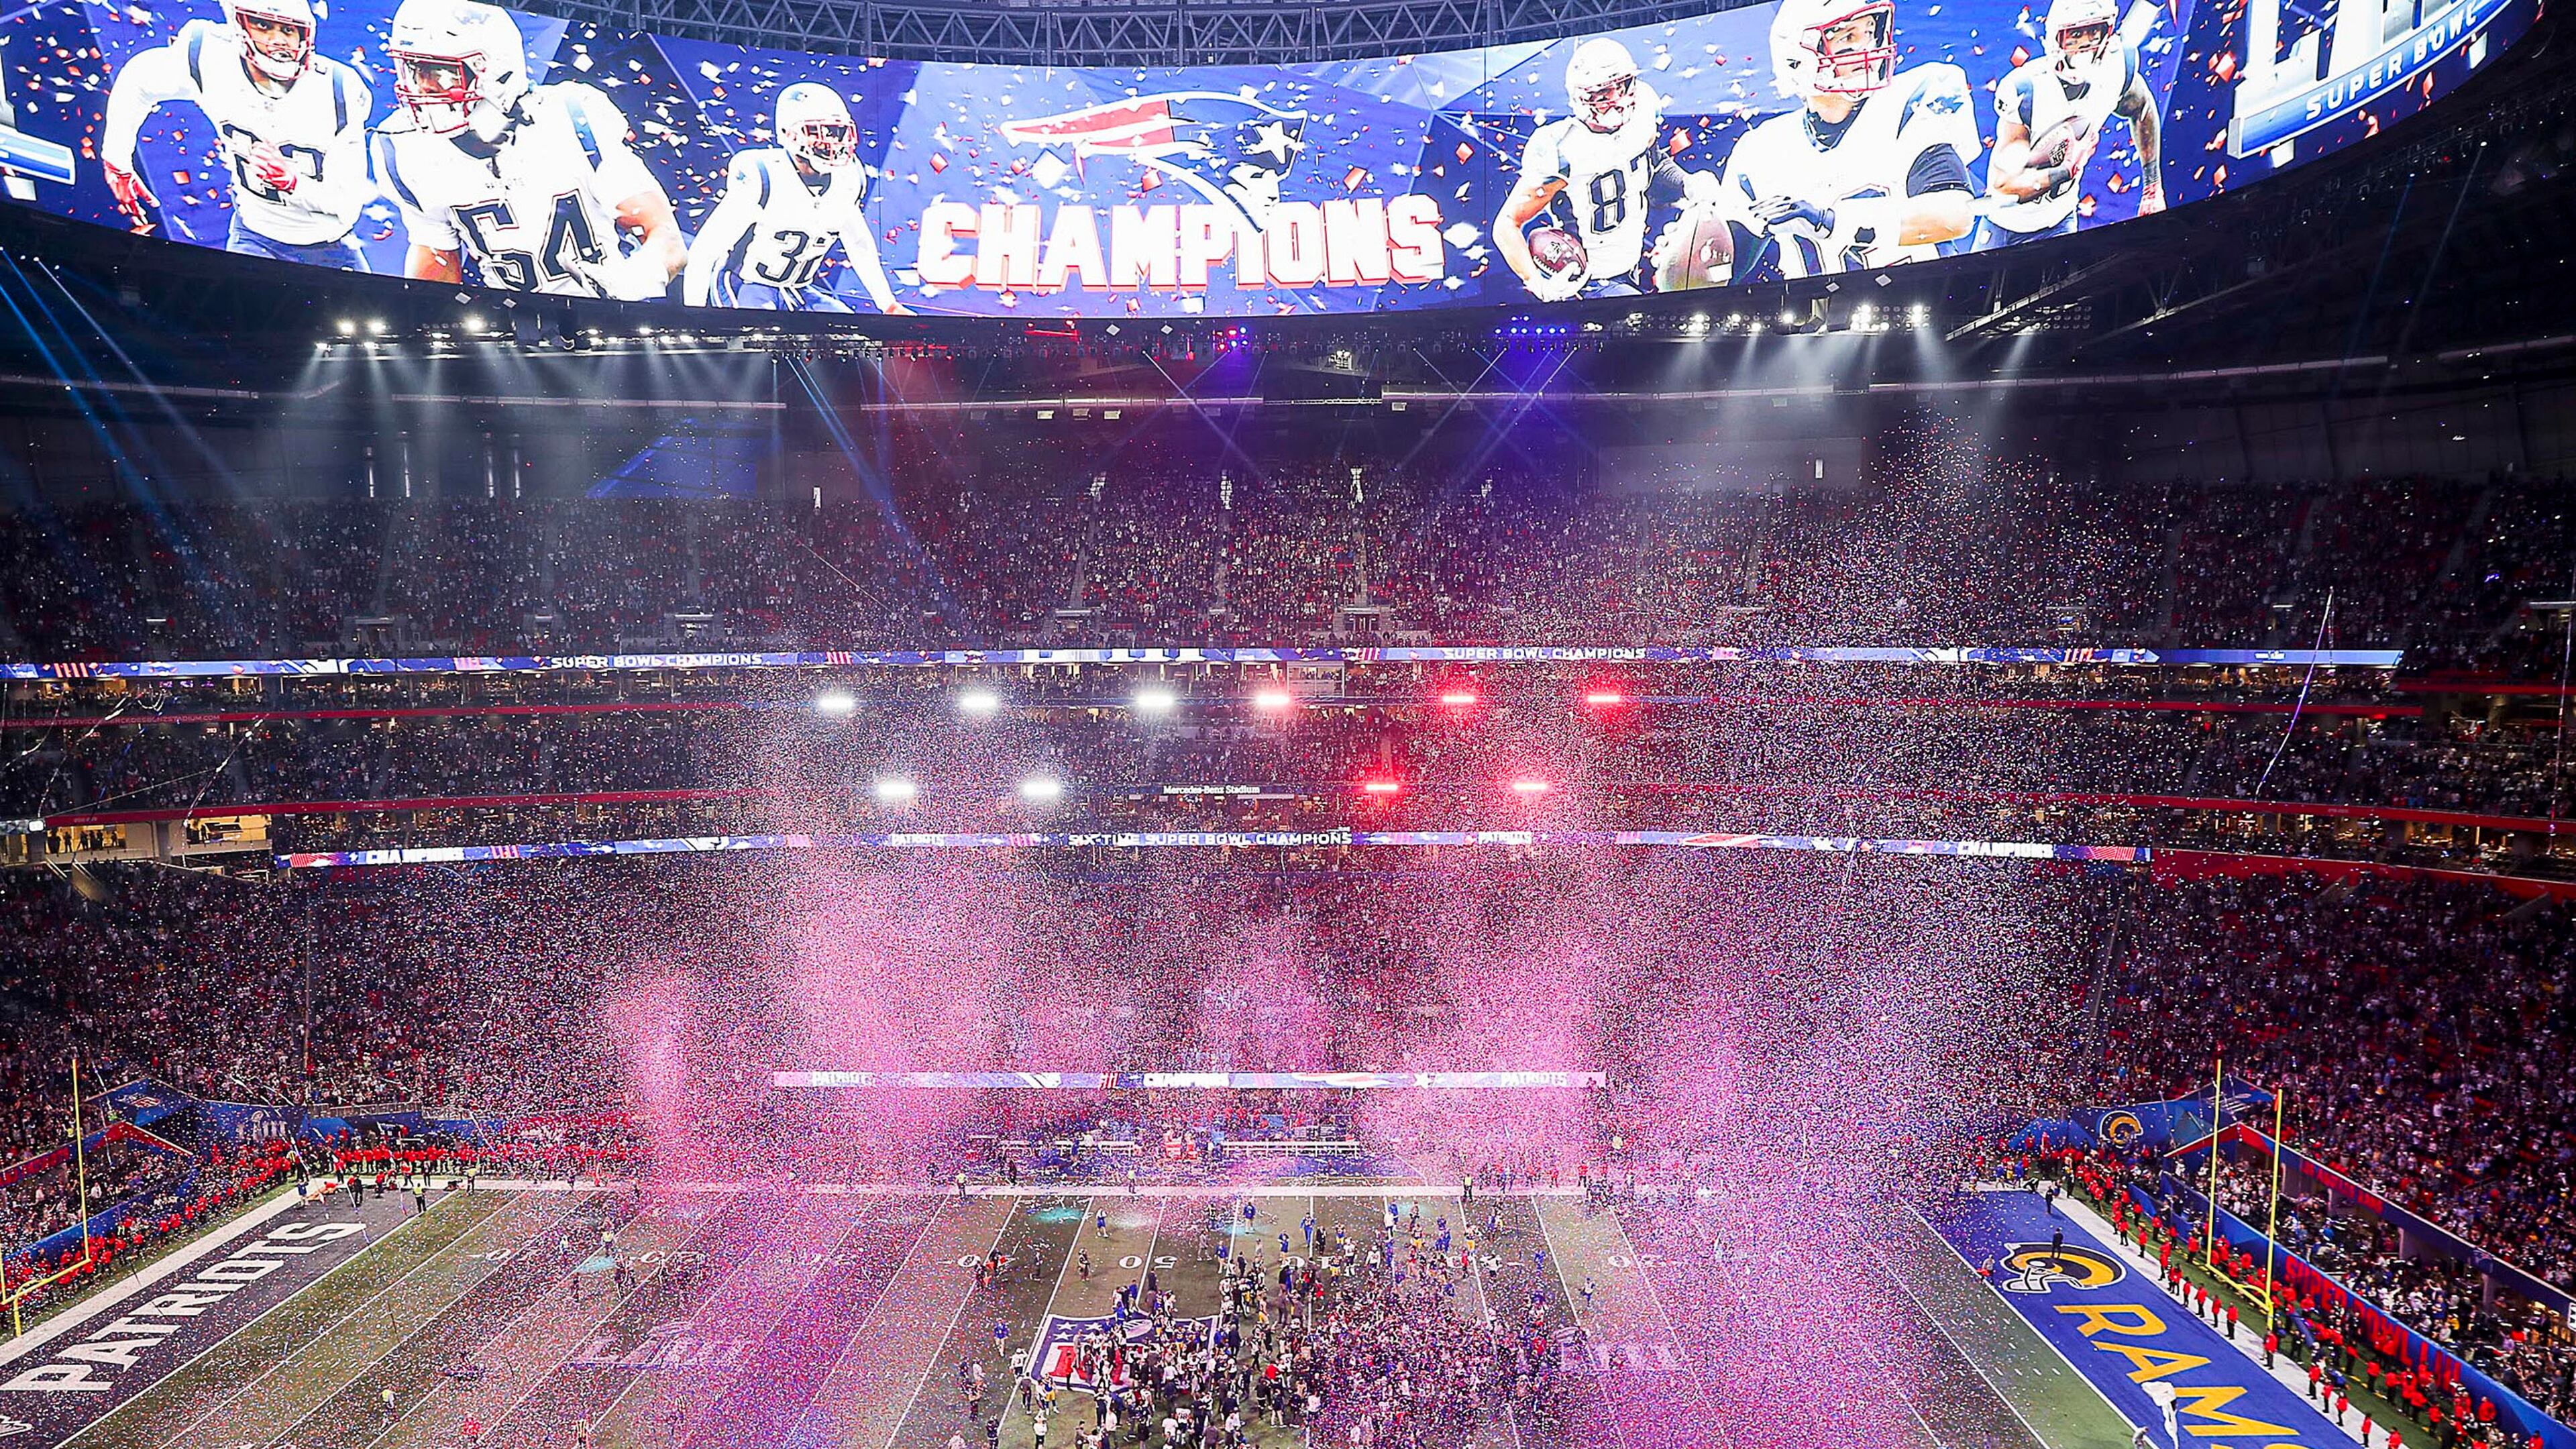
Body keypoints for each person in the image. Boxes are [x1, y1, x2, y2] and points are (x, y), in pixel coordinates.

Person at [370, 0, 682, 298]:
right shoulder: (404, 146)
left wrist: (633, 283)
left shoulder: (574, 117)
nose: (423, 86)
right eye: (414, 70)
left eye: (441, 72)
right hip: (508, 330)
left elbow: (664, 234)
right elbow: (436, 256)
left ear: (495, 71)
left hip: (606, 319)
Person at [99, 0, 375, 266]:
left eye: (288, 30)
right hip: (255, 236)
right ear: (239, 26)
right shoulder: (211, 57)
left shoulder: (339, 89)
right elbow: (138, 80)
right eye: (263, 25)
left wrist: (292, 183)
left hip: (330, 246)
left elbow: (346, 203)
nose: (278, 40)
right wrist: (117, 158)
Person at [1717, 0, 1978, 278]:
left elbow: (1954, 215)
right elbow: (1724, 269)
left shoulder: (1908, 103)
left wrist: (1828, 221)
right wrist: (1687, 250)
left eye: (1870, 33)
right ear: (1797, 60)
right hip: (1815, 317)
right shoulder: (1762, 149)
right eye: (1848, 37)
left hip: (1928, 305)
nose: (1867, 48)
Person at [682, 83, 907, 313]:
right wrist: (695, 314)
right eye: (818, 132)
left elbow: (859, 244)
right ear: (789, 134)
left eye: (837, 132)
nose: (832, 141)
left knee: (854, 336)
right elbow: (705, 251)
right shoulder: (764, 175)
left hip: (800, 289)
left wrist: (887, 304)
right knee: (760, 340)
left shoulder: (848, 177)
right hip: (747, 284)